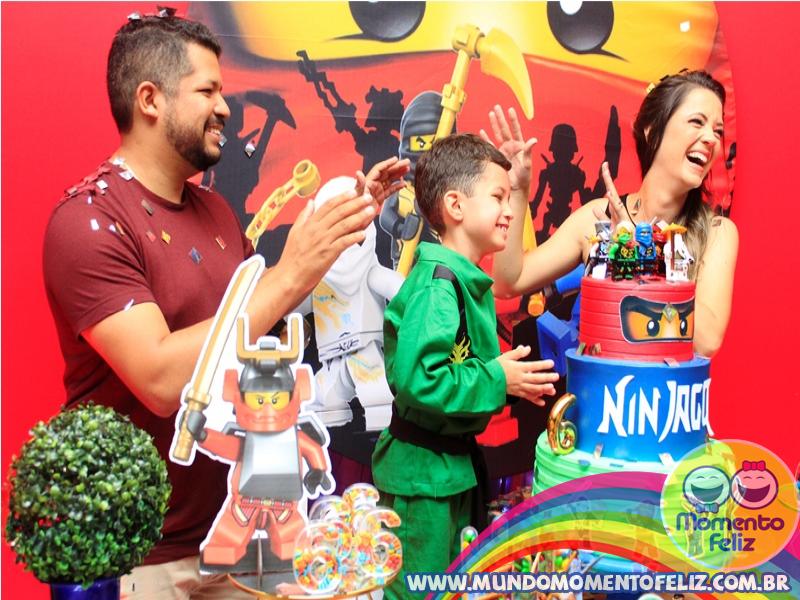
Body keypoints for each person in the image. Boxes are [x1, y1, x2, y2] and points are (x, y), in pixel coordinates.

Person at [42, 14, 407, 599]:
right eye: (207, 91)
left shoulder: (214, 212)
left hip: (236, 543)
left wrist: (339, 231)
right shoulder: (89, 222)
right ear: (150, 100)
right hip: (141, 559)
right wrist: (293, 269)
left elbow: (261, 327)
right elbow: (162, 379)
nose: (225, 108)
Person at [371, 134, 559, 599]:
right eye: (498, 197)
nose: (509, 211)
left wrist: (508, 383)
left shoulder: (461, 282)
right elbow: (420, 379)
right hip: (424, 483)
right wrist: (498, 377)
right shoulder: (438, 287)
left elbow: (460, 366)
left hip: (448, 474)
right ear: (455, 205)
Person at [489, 70, 738, 357]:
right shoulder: (597, 218)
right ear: (652, 129)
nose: (711, 139)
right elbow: (508, 283)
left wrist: (637, 254)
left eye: (718, 131)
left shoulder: (717, 232)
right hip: (595, 383)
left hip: (663, 386)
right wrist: (517, 192)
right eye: (697, 122)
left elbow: (707, 341)